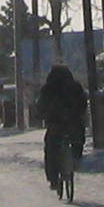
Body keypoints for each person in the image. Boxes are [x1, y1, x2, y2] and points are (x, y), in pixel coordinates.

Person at [36, 64, 88, 196]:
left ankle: (53, 178)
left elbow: (41, 107)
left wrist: (45, 116)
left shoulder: (47, 89)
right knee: (78, 138)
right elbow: (83, 103)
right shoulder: (75, 87)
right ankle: (75, 157)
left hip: (55, 124)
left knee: (51, 148)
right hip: (73, 123)